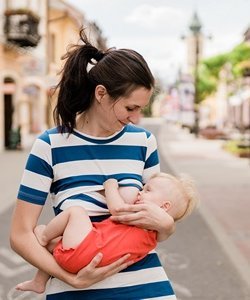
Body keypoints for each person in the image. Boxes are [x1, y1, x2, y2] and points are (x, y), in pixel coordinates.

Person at [10, 28, 178, 299]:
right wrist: (71, 279)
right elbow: (20, 235)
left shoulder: (144, 142)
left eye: (140, 110)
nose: (135, 118)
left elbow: (152, 227)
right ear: (101, 94)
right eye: (130, 108)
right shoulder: (50, 145)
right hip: (76, 289)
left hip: (147, 286)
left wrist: (167, 226)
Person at [16, 172, 199, 294]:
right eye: (143, 188)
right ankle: (39, 281)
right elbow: (165, 233)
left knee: (76, 212)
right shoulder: (152, 236)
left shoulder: (140, 216)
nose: (140, 193)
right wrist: (167, 224)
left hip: (85, 250)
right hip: (88, 259)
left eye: (147, 190)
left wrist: (110, 186)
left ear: (164, 207)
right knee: (57, 242)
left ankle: (43, 236)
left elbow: (117, 209)